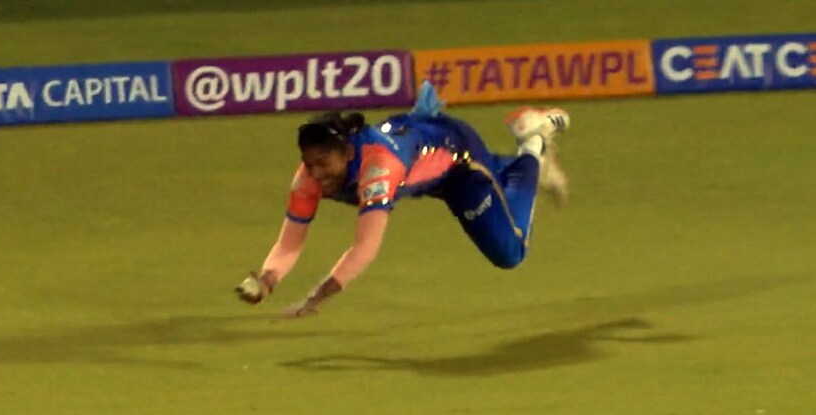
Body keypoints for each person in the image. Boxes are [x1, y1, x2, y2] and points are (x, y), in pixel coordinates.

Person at [234, 83, 571, 317]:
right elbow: (291, 243)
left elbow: (364, 248)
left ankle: (532, 146)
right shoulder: (308, 177)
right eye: (309, 163)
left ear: (348, 151)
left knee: (511, 251)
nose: (316, 173)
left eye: (323, 163)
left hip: (457, 160)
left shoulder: (378, 171)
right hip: (420, 158)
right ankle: (520, 162)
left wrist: (314, 299)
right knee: (493, 182)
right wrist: (267, 281)